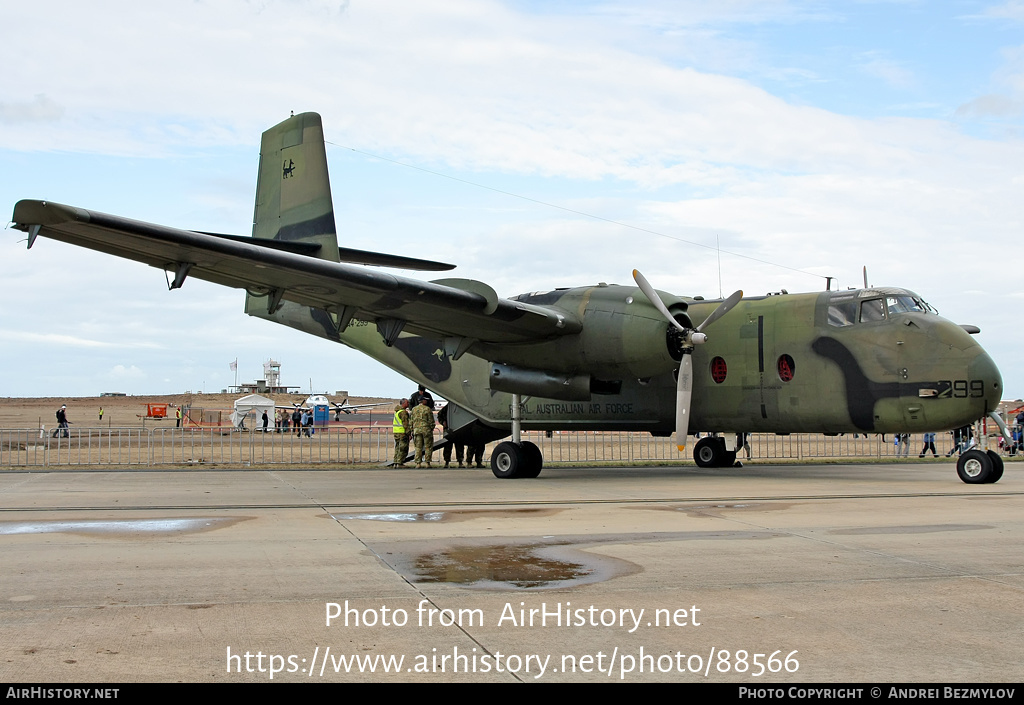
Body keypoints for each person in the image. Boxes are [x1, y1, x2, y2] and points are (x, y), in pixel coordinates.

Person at [410, 397, 436, 468]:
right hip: (426, 430)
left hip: (417, 430)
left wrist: (412, 429)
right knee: (428, 447)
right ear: (423, 401)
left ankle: (418, 463)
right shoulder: (427, 409)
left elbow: (411, 421)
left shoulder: (414, 409)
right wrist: (431, 428)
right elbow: (431, 421)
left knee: (418, 447)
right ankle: (427, 463)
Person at [438, 403, 464, 468]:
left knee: (459, 446)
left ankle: (460, 462)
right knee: (447, 446)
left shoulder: (460, 408)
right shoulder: (447, 408)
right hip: (448, 430)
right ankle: (446, 462)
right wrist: (443, 422)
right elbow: (439, 415)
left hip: (458, 429)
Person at [392, 399, 410, 467]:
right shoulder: (403, 412)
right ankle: (400, 462)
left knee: (397, 448)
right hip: (402, 433)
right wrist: (409, 433)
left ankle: (395, 462)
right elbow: (406, 424)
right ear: (403, 403)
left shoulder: (397, 412)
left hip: (396, 432)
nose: (408, 404)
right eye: (407, 402)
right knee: (403, 448)